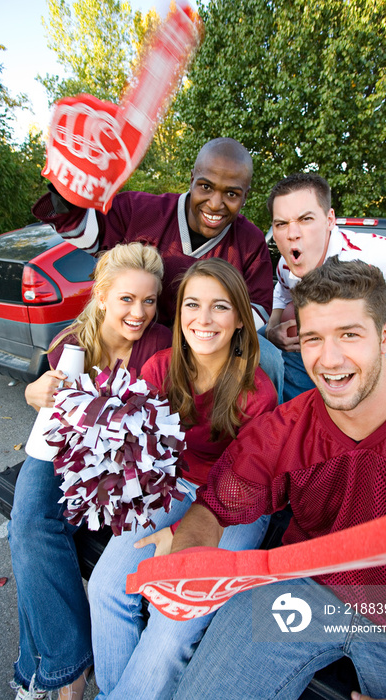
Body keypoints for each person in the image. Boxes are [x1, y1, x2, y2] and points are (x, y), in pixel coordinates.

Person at [170, 258, 386, 700]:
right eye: (314, 338)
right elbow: (213, 508)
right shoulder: (284, 430)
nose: (330, 360)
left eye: (349, 335)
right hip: (308, 592)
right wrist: (187, 559)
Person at [88, 258, 278, 699]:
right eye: (193, 304)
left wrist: (179, 533)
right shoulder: (160, 367)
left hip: (237, 504)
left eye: (220, 307)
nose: (204, 319)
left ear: (239, 320)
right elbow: (141, 450)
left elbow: (240, 487)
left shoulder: (256, 392)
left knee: (173, 621)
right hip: (173, 486)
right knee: (107, 587)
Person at [8, 242, 172, 700]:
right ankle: (69, 674)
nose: (139, 312)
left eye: (149, 300)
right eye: (126, 298)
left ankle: (49, 675)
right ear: (101, 296)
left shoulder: (159, 346)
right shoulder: (70, 344)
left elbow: (150, 434)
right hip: (64, 451)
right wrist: (33, 392)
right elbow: (54, 416)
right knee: (29, 527)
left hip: (122, 469)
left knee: (31, 542)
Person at [32, 137, 284, 401]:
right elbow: (82, 230)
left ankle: (269, 430)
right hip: (139, 335)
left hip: (209, 338)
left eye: (231, 193)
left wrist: (199, 336)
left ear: (246, 195)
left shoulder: (250, 240)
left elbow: (258, 307)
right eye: (206, 187)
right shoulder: (140, 210)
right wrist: (70, 180)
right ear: (192, 178)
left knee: (267, 357)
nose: (215, 204)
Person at [265, 173, 386, 401]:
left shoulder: (381, 258)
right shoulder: (286, 264)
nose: (292, 234)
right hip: (322, 374)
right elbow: (281, 293)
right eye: (281, 224)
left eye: (305, 219)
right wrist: (272, 330)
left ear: (330, 220)